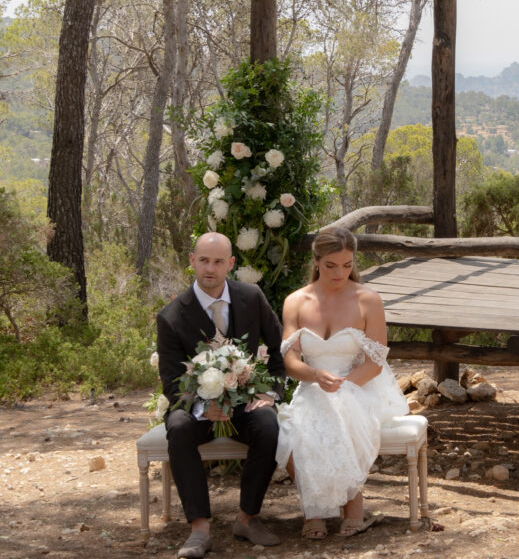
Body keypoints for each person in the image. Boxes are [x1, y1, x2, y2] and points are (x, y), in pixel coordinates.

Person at [275, 226, 409, 539]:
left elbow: (374, 363)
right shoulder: (295, 301)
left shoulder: (368, 300)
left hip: (360, 384)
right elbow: (290, 362)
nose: (340, 273)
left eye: (347, 265)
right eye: (331, 266)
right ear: (316, 261)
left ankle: (350, 506)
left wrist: (344, 386)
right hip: (312, 385)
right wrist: (315, 376)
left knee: (339, 411)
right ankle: (316, 509)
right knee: (294, 431)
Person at [157, 232, 285, 559]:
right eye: (203, 260)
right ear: (192, 261)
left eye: (217, 261)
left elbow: (279, 349)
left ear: (231, 263)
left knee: (268, 424)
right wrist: (203, 408)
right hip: (198, 408)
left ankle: (247, 518)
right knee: (179, 425)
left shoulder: (252, 297)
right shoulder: (171, 316)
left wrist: (271, 393)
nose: (210, 269)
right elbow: (172, 382)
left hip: (245, 404)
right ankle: (199, 529)